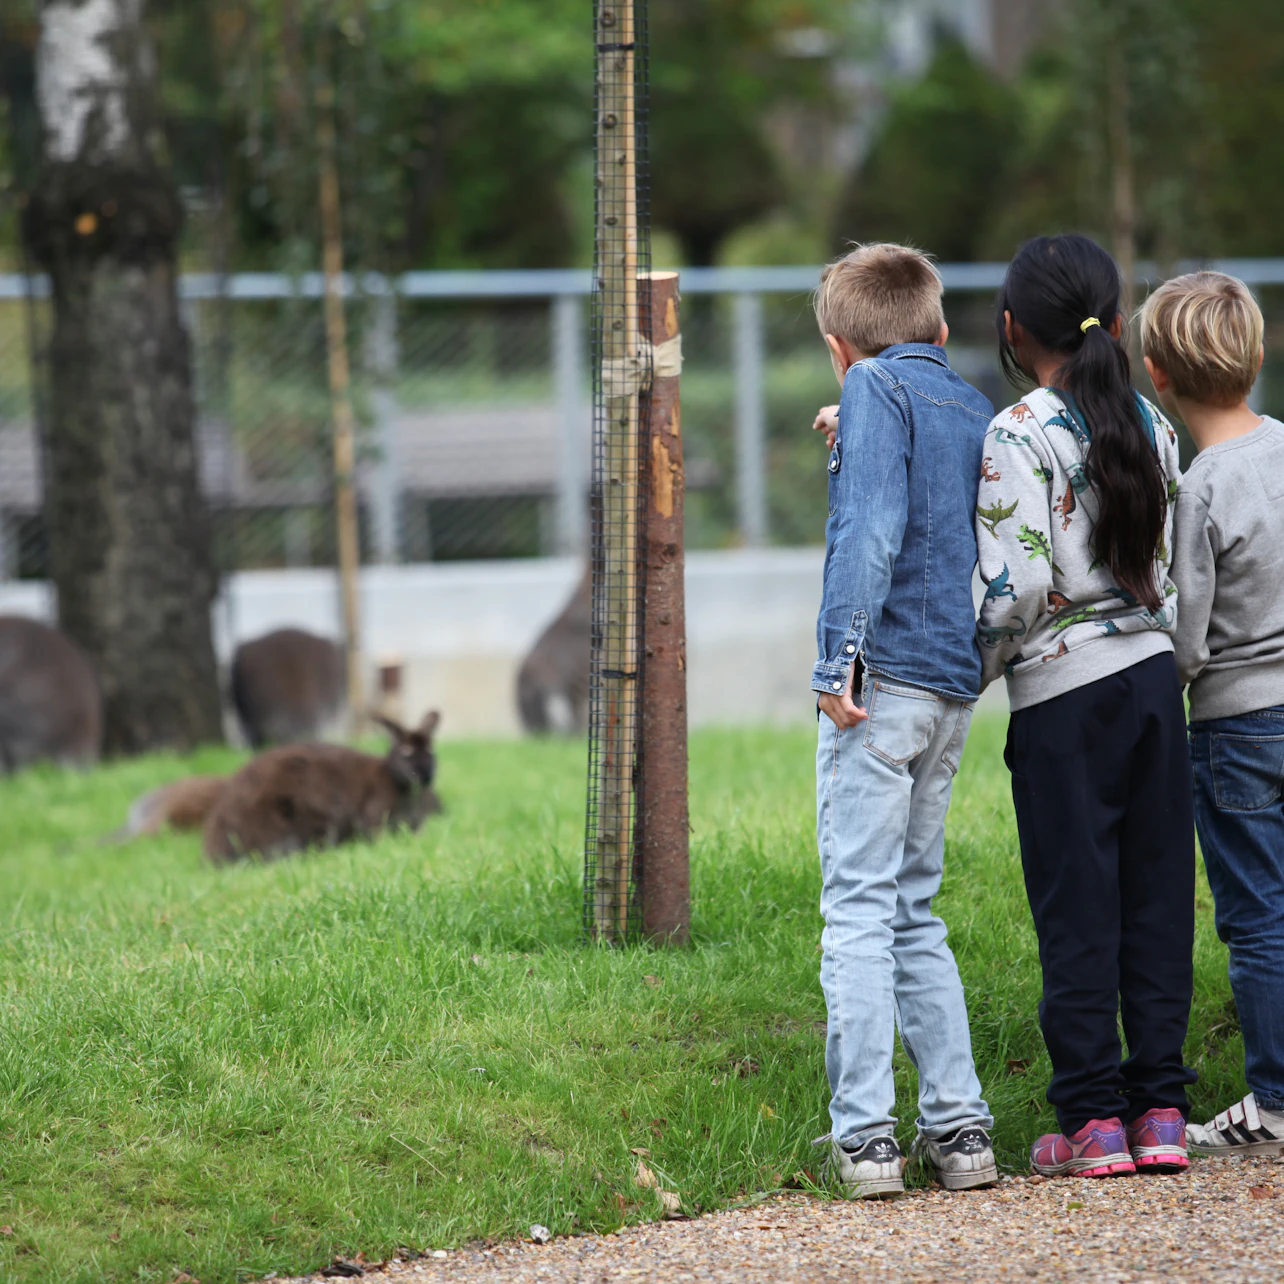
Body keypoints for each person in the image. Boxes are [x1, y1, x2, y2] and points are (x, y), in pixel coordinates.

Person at [976, 234, 1195, 1178]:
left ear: (1015, 327)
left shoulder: (1015, 433)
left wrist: (974, 668)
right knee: (1156, 902)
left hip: (1065, 700)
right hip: (1154, 685)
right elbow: (1176, 568)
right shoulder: (1153, 421)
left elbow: (1014, 594)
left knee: (1078, 905)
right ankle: (1162, 1116)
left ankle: (1095, 1122)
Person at [810, 243, 997, 1197]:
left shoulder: (875, 386)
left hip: (880, 685)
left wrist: (835, 658)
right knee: (915, 907)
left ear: (842, 351)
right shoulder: (972, 404)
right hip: (952, 685)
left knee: (857, 905)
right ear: (943, 330)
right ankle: (961, 1132)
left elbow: (876, 527)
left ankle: (866, 1137)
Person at [1144, 272, 1284, 1157]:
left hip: (1238, 724)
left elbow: (1188, 639)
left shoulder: (1198, 489)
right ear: (1257, 354)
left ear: (1157, 376)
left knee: (1260, 913)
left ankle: (1272, 1099)